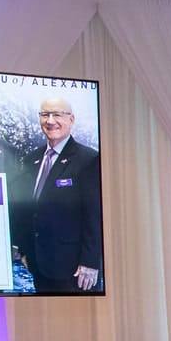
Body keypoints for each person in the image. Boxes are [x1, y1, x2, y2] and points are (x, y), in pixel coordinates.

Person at [23, 95, 102, 293]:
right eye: (45, 115)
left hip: (74, 270)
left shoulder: (89, 159)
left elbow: (95, 215)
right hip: (38, 266)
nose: (50, 121)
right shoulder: (31, 159)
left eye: (57, 114)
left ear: (71, 119)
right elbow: (28, 208)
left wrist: (90, 262)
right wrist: (25, 250)